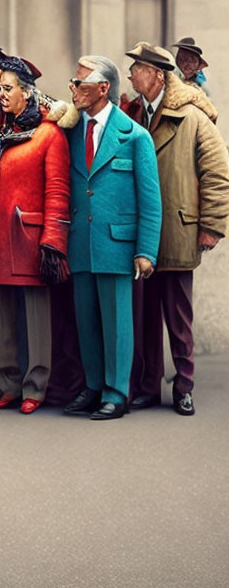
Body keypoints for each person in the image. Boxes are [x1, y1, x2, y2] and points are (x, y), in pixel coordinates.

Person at [122, 43, 229, 415]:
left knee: (178, 318)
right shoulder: (133, 113)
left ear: (156, 74)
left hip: (179, 231)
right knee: (145, 317)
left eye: (136, 68)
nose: (131, 74)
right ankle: (148, 386)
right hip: (141, 236)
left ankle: (184, 386)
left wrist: (212, 226)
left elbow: (217, 173)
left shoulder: (194, 116)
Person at [0, 56, 70, 414]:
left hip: (28, 236)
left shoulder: (48, 134)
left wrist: (53, 241)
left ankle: (35, 387)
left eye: (8, 88)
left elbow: (58, 191)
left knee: (35, 317)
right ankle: (7, 383)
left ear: (28, 93)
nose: (2, 94)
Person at [60, 54, 161, 420]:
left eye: (80, 83)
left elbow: (151, 200)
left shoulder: (135, 136)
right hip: (81, 242)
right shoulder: (70, 132)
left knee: (118, 323)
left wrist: (146, 250)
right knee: (86, 320)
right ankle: (93, 385)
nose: (73, 89)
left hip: (119, 246)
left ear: (103, 88)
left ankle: (117, 392)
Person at [171, 36, 213, 101]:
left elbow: (208, 103)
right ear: (177, 60)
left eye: (193, 61)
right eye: (183, 59)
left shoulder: (200, 84)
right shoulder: (171, 76)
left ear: (199, 65)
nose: (188, 64)